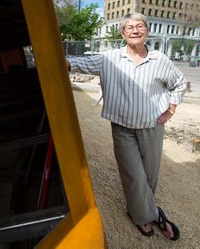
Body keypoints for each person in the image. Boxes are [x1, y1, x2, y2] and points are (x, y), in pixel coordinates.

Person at [67, 12, 186, 240]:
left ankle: (140, 210)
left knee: (150, 174)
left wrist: (171, 108)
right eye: (129, 27)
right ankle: (151, 215)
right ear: (123, 33)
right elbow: (79, 62)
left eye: (139, 26)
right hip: (122, 128)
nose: (134, 30)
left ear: (147, 31)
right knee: (133, 174)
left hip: (152, 126)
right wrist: (62, 61)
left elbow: (179, 83)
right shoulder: (109, 58)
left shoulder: (160, 60)